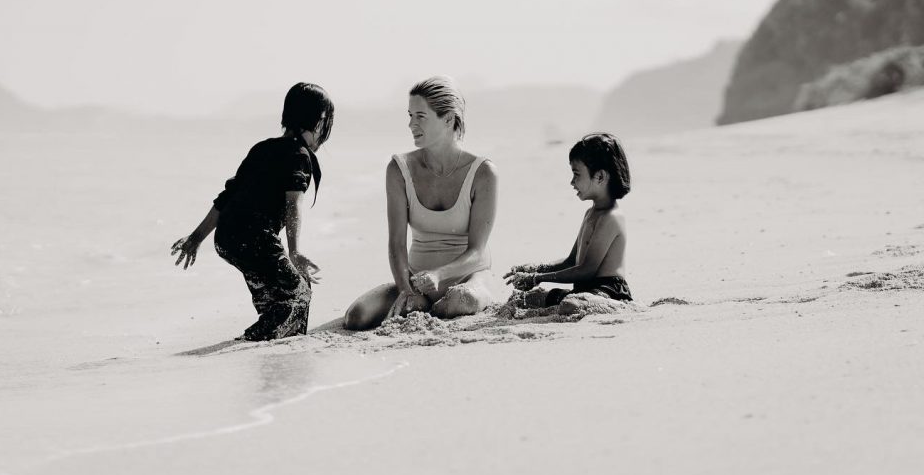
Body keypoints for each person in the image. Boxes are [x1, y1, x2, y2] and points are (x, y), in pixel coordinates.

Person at [171, 82, 334, 341]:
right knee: (299, 292)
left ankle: (276, 341)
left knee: (274, 300)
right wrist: (294, 251)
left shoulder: (262, 149)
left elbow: (226, 198)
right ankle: (258, 339)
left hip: (227, 238)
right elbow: (293, 205)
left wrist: (196, 238)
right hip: (254, 238)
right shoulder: (298, 155)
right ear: (320, 120)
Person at [343, 76, 499, 330]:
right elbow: (396, 243)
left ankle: (438, 307)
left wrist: (439, 274)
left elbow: (477, 252)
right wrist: (407, 290)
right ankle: (424, 306)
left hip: (469, 278)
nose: (411, 124)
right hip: (415, 282)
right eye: (410, 115)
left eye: (420, 116)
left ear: (448, 119)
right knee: (356, 317)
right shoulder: (399, 169)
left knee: (461, 301)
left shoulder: (483, 173)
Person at [503, 132, 632, 307]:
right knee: (522, 300)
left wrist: (537, 279)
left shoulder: (611, 217)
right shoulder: (590, 213)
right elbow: (571, 261)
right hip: (582, 291)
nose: (572, 182)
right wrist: (536, 268)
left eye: (577, 174)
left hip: (608, 291)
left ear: (600, 177)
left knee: (570, 305)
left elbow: (587, 270)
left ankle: (618, 306)